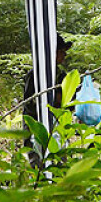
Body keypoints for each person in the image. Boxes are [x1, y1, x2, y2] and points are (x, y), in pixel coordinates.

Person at [23, 34, 72, 168]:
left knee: (60, 162)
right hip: (35, 127)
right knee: (38, 163)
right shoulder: (34, 76)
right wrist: (49, 102)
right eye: (61, 52)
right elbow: (29, 105)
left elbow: (69, 104)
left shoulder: (62, 76)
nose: (64, 56)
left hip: (57, 126)